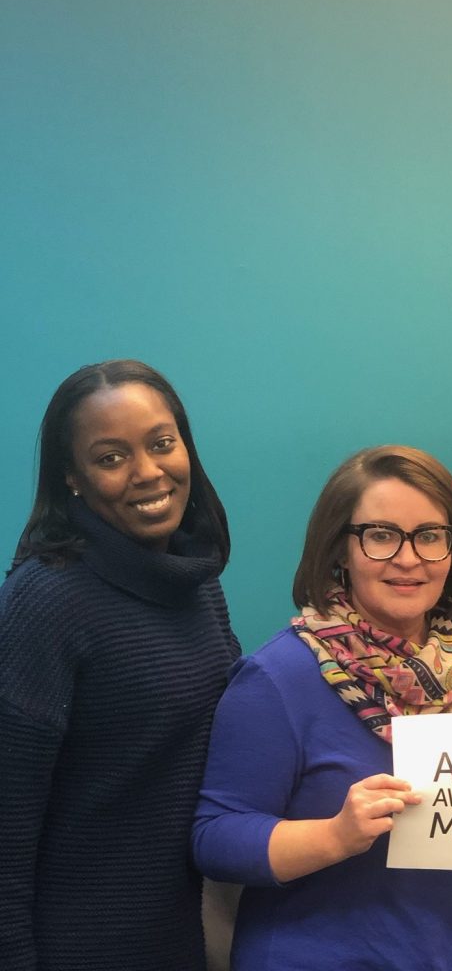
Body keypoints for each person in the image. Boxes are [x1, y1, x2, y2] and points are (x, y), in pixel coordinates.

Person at [193, 445, 452, 971]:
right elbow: (216, 838)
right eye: (382, 535)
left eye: (430, 536)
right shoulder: (279, 677)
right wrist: (334, 835)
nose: (409, 558)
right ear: (340, 550)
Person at [0, 359, 241, 971]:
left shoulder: (194, 581)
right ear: (72, 478)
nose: (148, 472)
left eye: (162, 443)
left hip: (182, 935)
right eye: (111, 457)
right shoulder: (44, 601)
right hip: (77, 946)